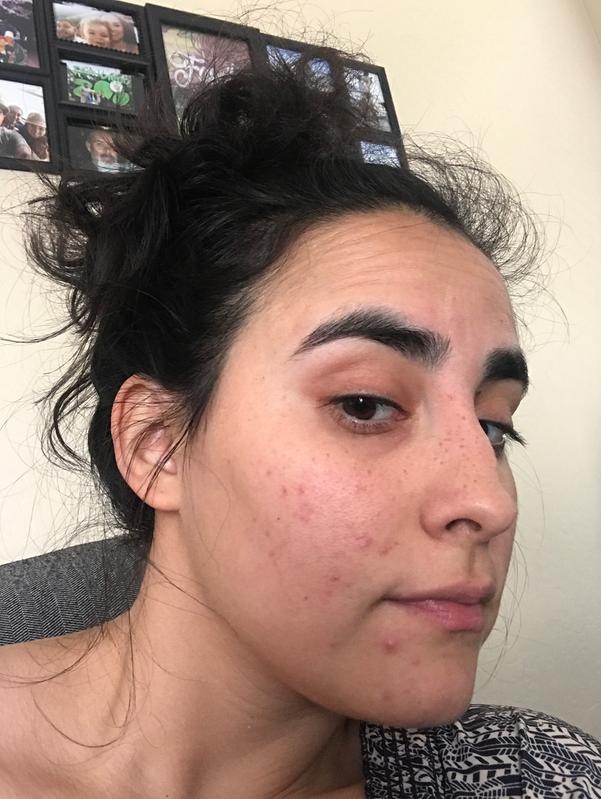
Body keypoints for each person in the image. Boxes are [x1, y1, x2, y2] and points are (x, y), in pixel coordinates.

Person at [0, 48, 600, 798]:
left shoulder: (538, 776)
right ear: (156, 446)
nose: (490, 502)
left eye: (493, 427)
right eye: (365, 404)